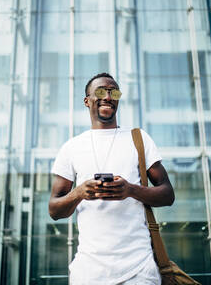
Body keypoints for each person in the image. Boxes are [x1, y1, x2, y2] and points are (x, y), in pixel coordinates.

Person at [49, 72, 175, 285]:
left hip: (139, 270)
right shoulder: (71, 147)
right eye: (100, 91)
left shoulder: (139, 139)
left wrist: (131, 190)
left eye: (113, 91)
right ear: (87, 101)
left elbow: (168, 194)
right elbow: (54, 210)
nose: (108, 96)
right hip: (88, 273)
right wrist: (79, 193)